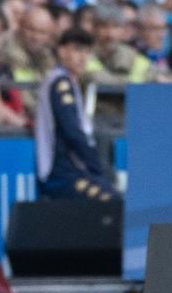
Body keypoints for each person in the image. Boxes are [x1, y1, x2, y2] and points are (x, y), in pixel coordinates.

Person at [35, 27, 119, 200]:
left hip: (73, 170)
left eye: (87, 52)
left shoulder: (70, 81)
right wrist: (96, 165)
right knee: (111, 200)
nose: (83, 57)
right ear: (62, 51)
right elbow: (72, 131)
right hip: (62, 173)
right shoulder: (61, 83)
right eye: (77, 50)